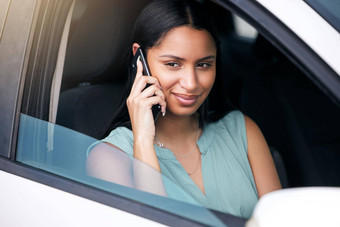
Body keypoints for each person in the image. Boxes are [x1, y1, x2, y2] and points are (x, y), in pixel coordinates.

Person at [86, 0, 281, 218]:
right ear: (139, 59)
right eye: (173, 64)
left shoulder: (242, 130)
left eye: (203, 65)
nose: (191, 83)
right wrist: (142, 141)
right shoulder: (110, 157)